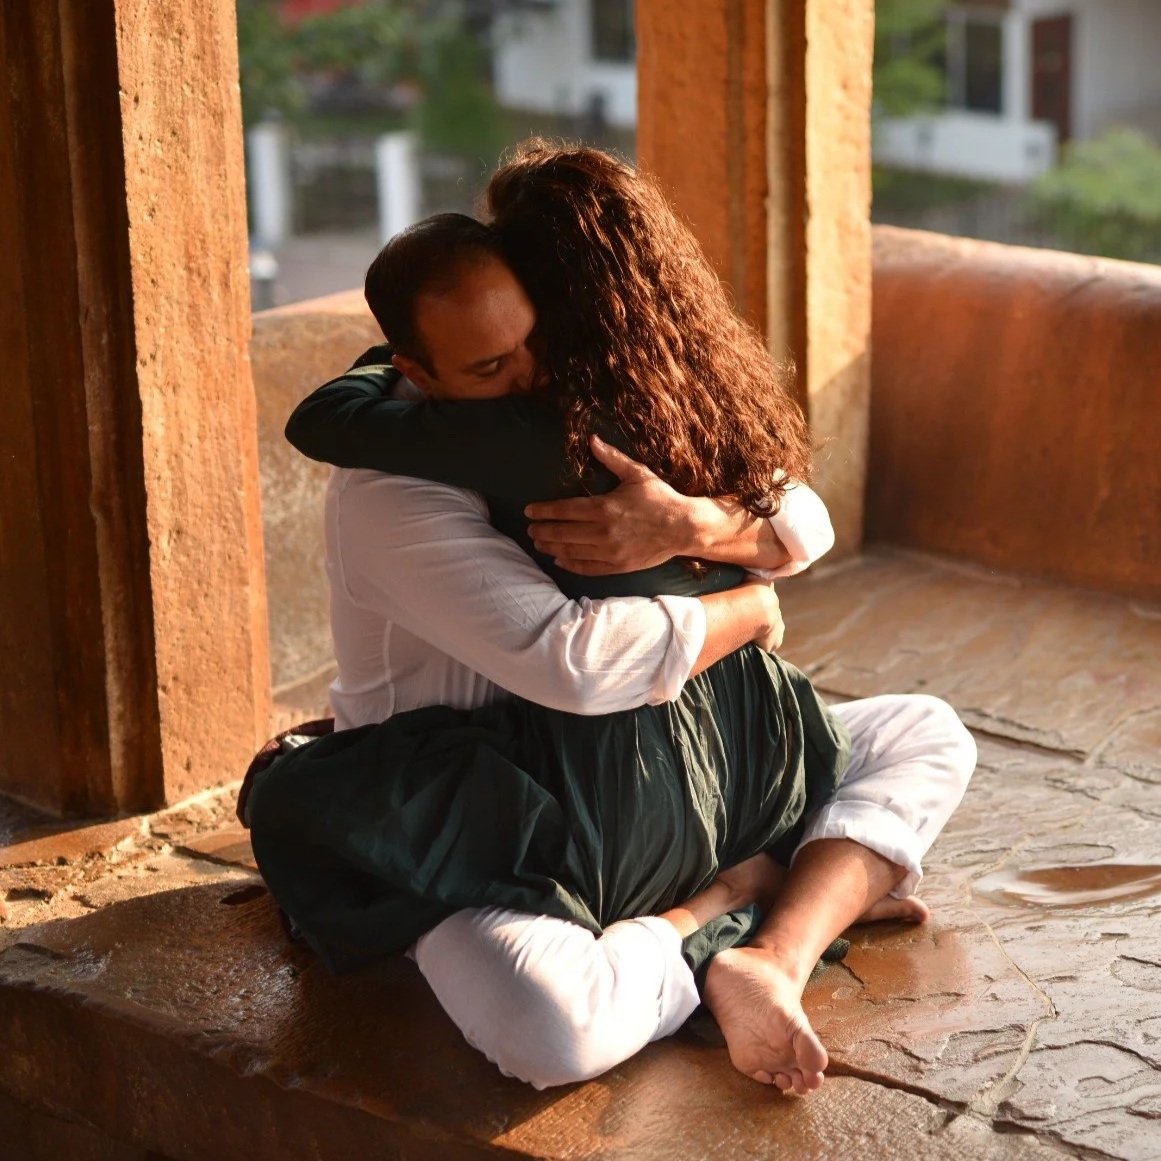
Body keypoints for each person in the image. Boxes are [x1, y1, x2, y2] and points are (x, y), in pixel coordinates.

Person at [254, 142, 976, 1093]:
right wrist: (746, 605)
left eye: (541, 342)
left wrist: (694, 523)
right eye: (488, 365)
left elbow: (799, 513)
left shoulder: (600, 412)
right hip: (477, 815)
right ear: (418, 373)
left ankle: (774, 954)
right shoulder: (390, 487)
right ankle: (729, 903)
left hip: (652, 779)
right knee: (549, 1026)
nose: (526, 380)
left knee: (928, 732)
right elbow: (576, 664)